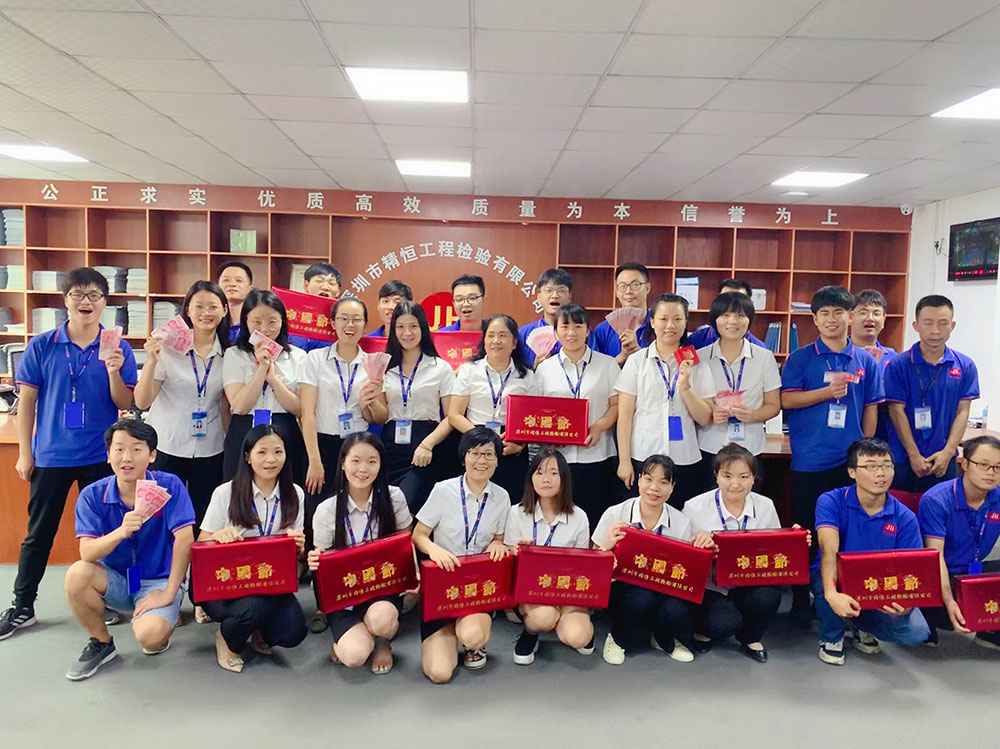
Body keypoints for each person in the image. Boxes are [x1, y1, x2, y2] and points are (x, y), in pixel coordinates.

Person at [2, 268, 137, 641]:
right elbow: (26, 403)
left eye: (94, 295)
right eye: (78, 294)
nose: (86, 302)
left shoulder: (118, 347)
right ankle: (22, 606)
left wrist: (113, 370)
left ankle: (108, 599)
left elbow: (125, 402)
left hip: (101, 457)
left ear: (105, 302)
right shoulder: (43, 345)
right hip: (51, 456)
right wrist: (25, 453)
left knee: (108, 532)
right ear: (65, 300)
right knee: (38, 534)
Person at [63, 419, 194, 680]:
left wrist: (168, 593)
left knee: (150, 638)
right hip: (117, 579)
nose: (127, 458)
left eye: (136, 449)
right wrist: (121, 532)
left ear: (152, 455)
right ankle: (102, 642)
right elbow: (87, 552)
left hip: (158, 580)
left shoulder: (170, 485)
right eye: (119, 449)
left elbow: (185, 539)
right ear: (108, 454)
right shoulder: (92, 495)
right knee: (77, 574)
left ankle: (164, 615)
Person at [781, 285, 883, 623]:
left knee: (848, 533)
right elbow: (786, 400)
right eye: (824, 313)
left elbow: (871, 407)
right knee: (805, 533)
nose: (831, 319)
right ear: (814, 319)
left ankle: (844, 599)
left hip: (849, 464)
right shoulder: (801, 358)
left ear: (850, 317)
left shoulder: (865, 360)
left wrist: (865, 451)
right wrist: (826, 392)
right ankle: (801, 600)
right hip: (809, 460)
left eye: (838, 312)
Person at [198, 425, 308, 673]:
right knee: (253, 607)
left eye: (278, 452)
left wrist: (298, 546)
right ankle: (226, 640)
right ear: (248, 456)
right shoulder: (226, 492)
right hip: (224, 583)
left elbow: (295, 557)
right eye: (262, 452)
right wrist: (217, 537)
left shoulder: (295, 494)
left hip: (269, 580)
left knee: (294, 631)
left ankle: (256, 628)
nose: (271, 459)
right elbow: (201, 542)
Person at [812, 438, 931, 667]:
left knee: (916, 632)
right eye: (871, 466)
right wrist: (831, 593)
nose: (881, 473)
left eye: (887, 465)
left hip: (880, 585)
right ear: (852, 472)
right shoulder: (831, 501)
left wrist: (906, 602)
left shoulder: (905, 517)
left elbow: (911, 567)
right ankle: (831, 637)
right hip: (837, 576)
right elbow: (829, 550)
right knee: (826, 587)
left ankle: (861, 624)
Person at [308, 433, 413, 673]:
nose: (363, 469)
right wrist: (316, 560)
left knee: (382, 619)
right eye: (355, 461)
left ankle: (382, 642)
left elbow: (405, 542)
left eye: (372, 461)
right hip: (344, 594)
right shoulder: (327, 510)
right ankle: (352, 639)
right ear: (343, 464)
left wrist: (412, 576)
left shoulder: (394, 497)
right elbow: (321, 558)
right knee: (355, 657)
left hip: (382, 588)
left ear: (381, 464)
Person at [413, 427, 511, 682]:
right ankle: (448, 633)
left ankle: (471, 639)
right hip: (443, 583)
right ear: (464, 457)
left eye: (488, 454)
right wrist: (434, 549)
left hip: (477, 586)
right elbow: (419, 535)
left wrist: (498, 543)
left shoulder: (502, 497)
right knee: (439, 673)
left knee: (472, 635)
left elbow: (500, 538)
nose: (481, 460)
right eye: (474, 453)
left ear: (497, 460)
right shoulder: (443, 490)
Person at [135, 280, 229, 533]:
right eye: (199, 306)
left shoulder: (228, 353)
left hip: (211, 447)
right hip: (168, 444)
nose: (206, 313)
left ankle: (196, 560)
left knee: (204, 517)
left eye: (213, 306)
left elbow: (225, 404)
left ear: (224, 310)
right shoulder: (167, 348)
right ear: (187, 310)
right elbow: (142, 401)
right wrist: (151, 361)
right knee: (160, 517)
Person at [682, 444, 788, 663]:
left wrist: (794, 540)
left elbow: (776, 549)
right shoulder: (694, 507)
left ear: (754, 478)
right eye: (727, 476)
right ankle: (705, 631)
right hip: (711, 585)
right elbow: (683, 561)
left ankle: (750, 637)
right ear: (716, 476)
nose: (735, 484)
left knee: (769, 595)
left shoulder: (765, 506)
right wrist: (698, 546)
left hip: (749, 581)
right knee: (721, 623)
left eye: (744, 476)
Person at [593, 455, 698, 665]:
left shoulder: (681, 522)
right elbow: (594, 560)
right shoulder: (616, 513)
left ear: (672, 487)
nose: (654, 488)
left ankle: (663, 638)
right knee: (641, 598)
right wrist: (608, 545)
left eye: (663, 482)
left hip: (662, 586)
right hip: (622, 585)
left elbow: (685, 570)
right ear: (639, 480)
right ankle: (617, 638)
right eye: (648, 479)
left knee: (676, 608)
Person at [615, 293, 714, 507]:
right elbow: (624, 417)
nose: (670, 325)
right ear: (652, 322)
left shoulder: (697, 364)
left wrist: (685, 388)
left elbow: (705, 418)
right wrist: (624, 461)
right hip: (642, 455)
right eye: (663, 319)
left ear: (686, 322)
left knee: (680, 519)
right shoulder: (637, 361)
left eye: (677, 319)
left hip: (684, 457)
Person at [301, 297, 380, 550]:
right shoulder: (315, 359)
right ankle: (318, 561)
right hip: (322, 444)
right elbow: (307, 413)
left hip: (358, 446)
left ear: (365, 324)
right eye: (343, 318)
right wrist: (314, 460)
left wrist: (369, 403)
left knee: (354, 508)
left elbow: (376, 416)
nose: (350, 325)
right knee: (318, 507)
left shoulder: (372, 364)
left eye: (356, 319)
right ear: (333, 322)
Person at [504, 447, 594, 665]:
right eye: (540, 472)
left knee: (578, 636)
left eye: (554, 473)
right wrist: (518, 552)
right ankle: (530, 632)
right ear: (531, 478)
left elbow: (583, 564)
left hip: (567, 590)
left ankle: (570, 620)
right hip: (532, 589)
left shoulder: (579, 516)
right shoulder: (517, 513)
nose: (546, 479)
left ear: (564, 478)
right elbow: (508, 559)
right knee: (543, 617)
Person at [885, 294, 979, 493]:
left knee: (942, 508)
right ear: (916, 325)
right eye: (928, 323)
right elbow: (896, 411)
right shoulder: (898, 365)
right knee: (902, 509)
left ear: (952, 326)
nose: (935, 331)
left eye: (943, 323)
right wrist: (913, 455)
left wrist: (948, 452)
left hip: (944, 458)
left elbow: (963, 411)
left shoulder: (965, 365)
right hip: (903, 458)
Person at [536, 303, 619, 525]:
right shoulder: (544, 369)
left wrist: (600, 426)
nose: (571, 332)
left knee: (594, 516)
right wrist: (549, 437)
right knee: (559, 518)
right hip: (557, 458)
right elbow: (537, 412)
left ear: (588, 330)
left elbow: (616, 405)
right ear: (555, 332)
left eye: (578, 326)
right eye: (564, 326)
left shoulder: (608, 365)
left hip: (598, 454)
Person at [370, 301, 455, 513]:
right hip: (391, 447)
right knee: (387, 507)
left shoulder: (440, 367)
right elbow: (381, 416)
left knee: (407, 505)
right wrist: (370, 398)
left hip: (425, 446)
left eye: (413, 326)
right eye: (400, 327)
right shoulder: (385, 368)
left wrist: (427, 445)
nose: (407, 333)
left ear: (423, 328)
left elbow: (451, 416)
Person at [919, 435, 1000, 650]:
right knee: (919, 629)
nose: (991, 473)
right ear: (963, 464)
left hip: (973, 571)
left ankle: (988, 629)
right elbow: (935, 558)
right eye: (983, 465)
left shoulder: (997, 497)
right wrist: (950, 601)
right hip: (938, 575)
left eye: (998, 467)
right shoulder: (937, 500)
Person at [221, 289, 307, 485]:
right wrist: (261, 369)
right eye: (257, 322)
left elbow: (299, 408)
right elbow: (239, 406)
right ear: (246, 321)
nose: (264, 329)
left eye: (272, 321)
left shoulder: (298, 356)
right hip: (245, 429)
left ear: (282, 321)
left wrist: (273, 379)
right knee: (241, 492)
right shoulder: (234, 354)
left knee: (287, 491)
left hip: (285, 429)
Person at [696, 292, 780, 492]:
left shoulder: (764, 357)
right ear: (714, 320)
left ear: (749, 320)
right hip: (710, 447)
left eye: (740, 315)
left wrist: (753, 415)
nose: (732, 321)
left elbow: (774, 405)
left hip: (750, 449)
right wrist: (710, 414)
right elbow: (692, 405)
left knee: (748, 505)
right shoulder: (700, 358)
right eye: (725, 315)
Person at [448, 314, 536, 502]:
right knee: (473, 499)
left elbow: (533, 419)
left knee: (510, 501)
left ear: (514, 343)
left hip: (510, 444)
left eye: (503, 335)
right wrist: (482, 440)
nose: (496, 340)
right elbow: (454, 414)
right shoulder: (469, 370)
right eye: (491, 335)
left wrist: (520, 445)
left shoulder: (527, 376)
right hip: (475, 441)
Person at [850, 289, 896, 443]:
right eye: (863, 312)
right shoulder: (841, 354)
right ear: (850, 317)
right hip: (846, 435)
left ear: (884, 319)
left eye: (876, 313)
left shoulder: (893, 358)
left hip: (884, 439)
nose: (870, 318)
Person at [588, 263, 654, 364]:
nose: (628, 291)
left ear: (647, 288)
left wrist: (637, 351)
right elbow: (595, 369)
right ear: (617, 291)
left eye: (635, 285)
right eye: (623, 286)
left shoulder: (659, 326)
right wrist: (622, 356)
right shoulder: (602, 330)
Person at [686, 279, 766, 350]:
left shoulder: (759, 348)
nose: (731, 304)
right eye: (725, 298)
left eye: (739, 298)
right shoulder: (695, 340)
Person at [517, 268, 573, 369]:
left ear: (569, 296)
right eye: (549, 290)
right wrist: (534, 369)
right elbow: (516, 373)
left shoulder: (580, 332)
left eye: (561, 290)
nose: (555, 295)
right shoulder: (523, 334)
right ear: (539, 296)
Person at [288, 262, 342, 353]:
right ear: (306, 285)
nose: (325, 287)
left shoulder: (342, 321)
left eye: (331, 283)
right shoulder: (289, 313)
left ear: (338, 291)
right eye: (319, 281)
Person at [218, 261, 254, 344]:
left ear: (250, 288)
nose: (232, 284)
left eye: (239, 280)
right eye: (226, 280)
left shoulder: (255, 323)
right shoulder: (212, 321)